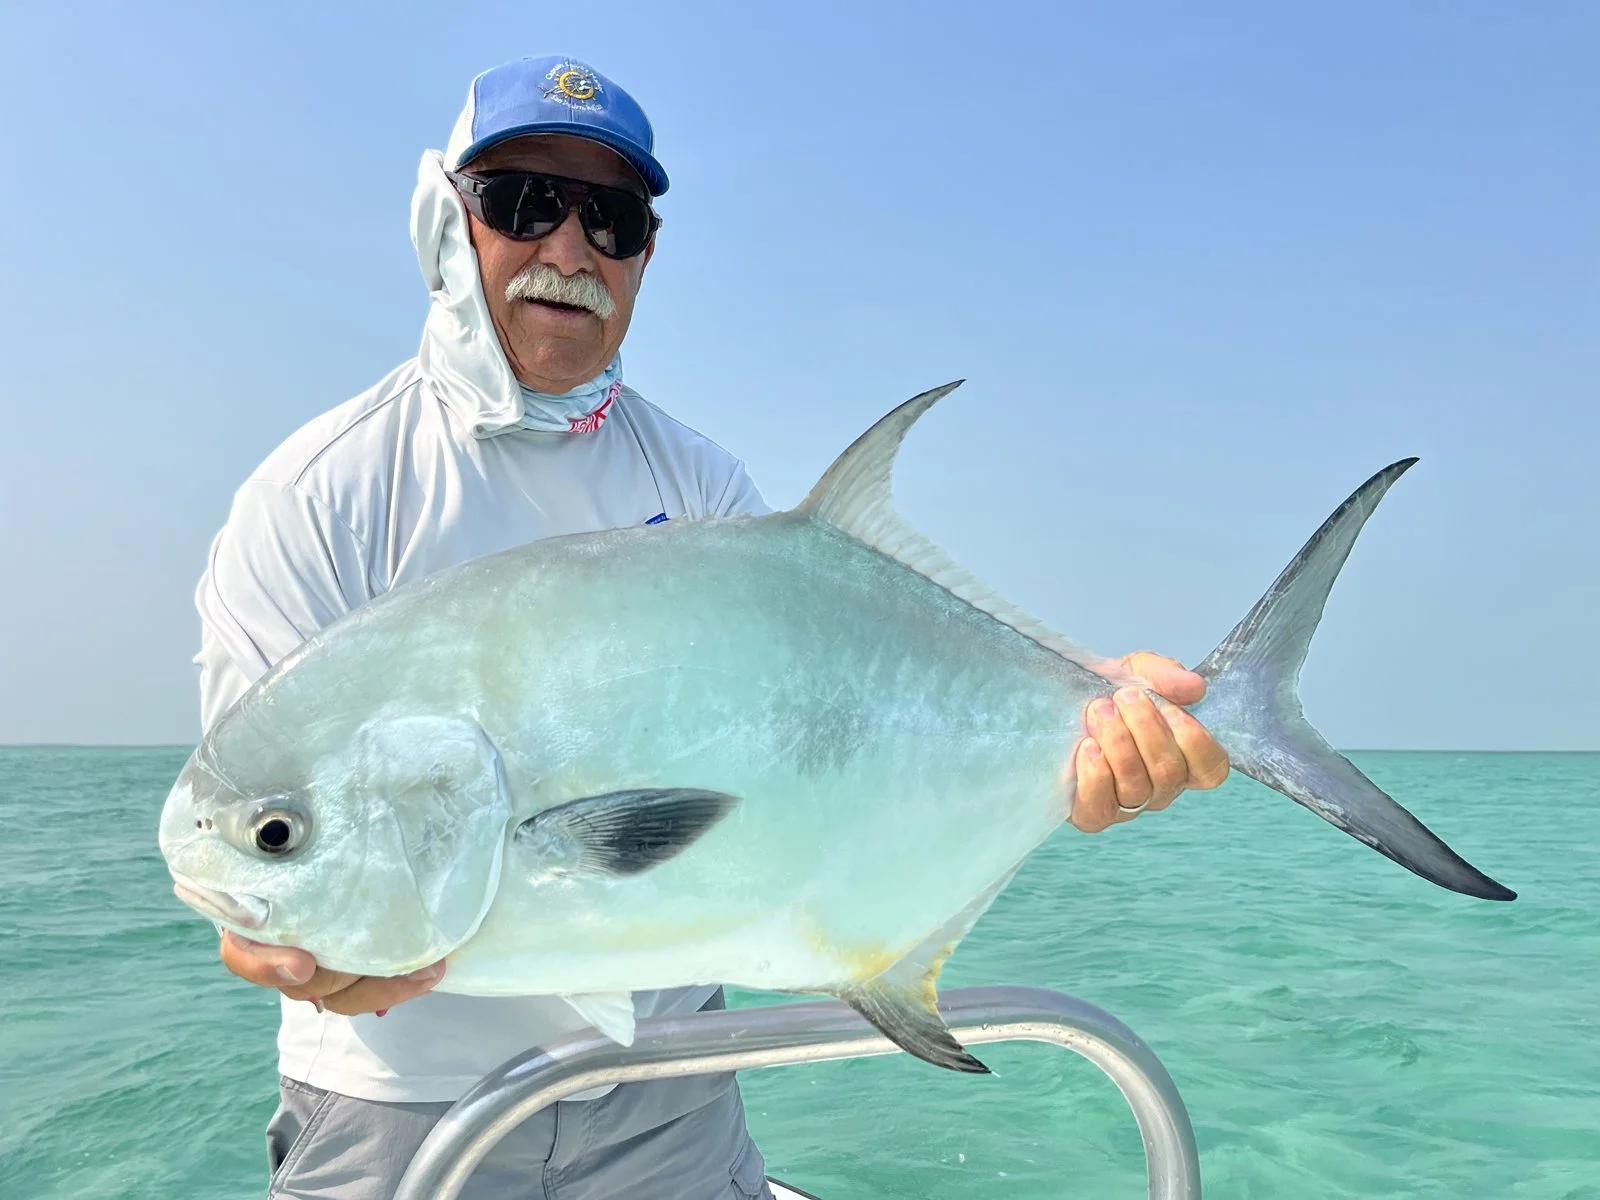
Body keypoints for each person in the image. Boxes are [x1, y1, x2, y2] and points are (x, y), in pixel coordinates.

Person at [193, 54, 1230, 1200]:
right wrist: (265, 935)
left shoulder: (699, 482)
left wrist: (1081, 718)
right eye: (524, 201)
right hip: (395, 1117)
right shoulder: (319, 496)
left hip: (669, 1092)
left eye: (615, 218)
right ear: (446, 220)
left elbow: (842, 717)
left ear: (646, 252)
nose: (571, 248)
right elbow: (260, 822)